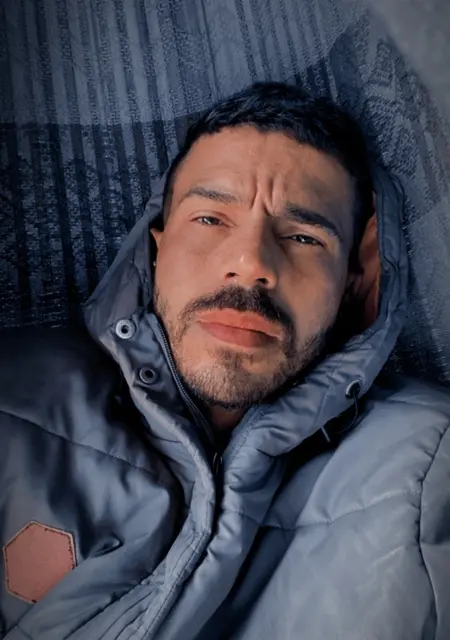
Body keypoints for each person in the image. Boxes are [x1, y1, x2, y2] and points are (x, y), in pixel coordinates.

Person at [1, 82, 449, 640]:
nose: (250, 261)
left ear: (356, 279)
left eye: (304, 237)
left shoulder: (430, 459)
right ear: (156, 247)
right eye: (210, 219)